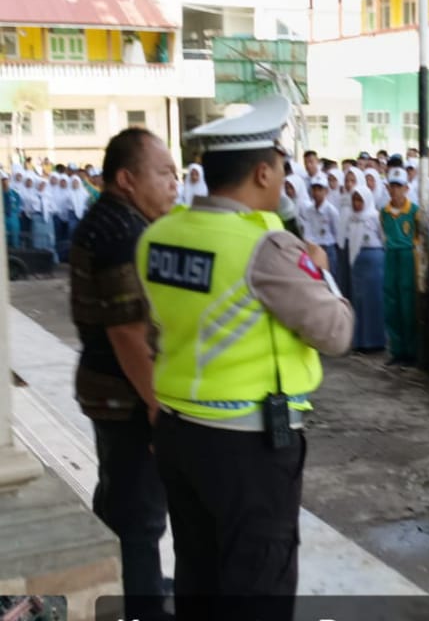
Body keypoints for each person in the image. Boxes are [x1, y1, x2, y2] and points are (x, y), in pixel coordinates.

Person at [139, 96, 353, 618]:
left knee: (200, 574)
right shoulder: (267, 248)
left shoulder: (159, 234)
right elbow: (337, 331)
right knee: (258, 584)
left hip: (177, 432)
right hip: (246, 448)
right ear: (262, 172)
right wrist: (319, 270)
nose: (284, 180)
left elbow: (159, 328)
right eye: (281, 168)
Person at [69, 128, 177, 621]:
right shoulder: (122, 235)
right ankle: (142, 604)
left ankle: (127, 581)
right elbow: (129, 333)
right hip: (126, 395)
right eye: (163, 172)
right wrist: (158, 409)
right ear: (127, 179)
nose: (174, 183)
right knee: (140, 516)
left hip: (108, 389)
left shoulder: (114, 220)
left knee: (119, 496)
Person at [380, 168, 421, 367]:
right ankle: (397, 349)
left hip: (407, 256)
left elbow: (421, 236)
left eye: (399, 186)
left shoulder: (414, 211)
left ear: (406, 188)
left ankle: (411, 350)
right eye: (392, 186)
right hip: (391, 256)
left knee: (408, 304)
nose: (395, 191)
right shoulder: (384, 212)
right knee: (391, 302)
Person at [344, 186, 387, 354]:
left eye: (360, 200)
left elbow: (383, 237)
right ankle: (360, 340)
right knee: (359, 300)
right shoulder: (352, 218)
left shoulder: (375, 216)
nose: (357, 204)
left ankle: (375, 340)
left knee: (373, 300)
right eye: (354, 200)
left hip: (374, 260)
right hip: (358, 261)